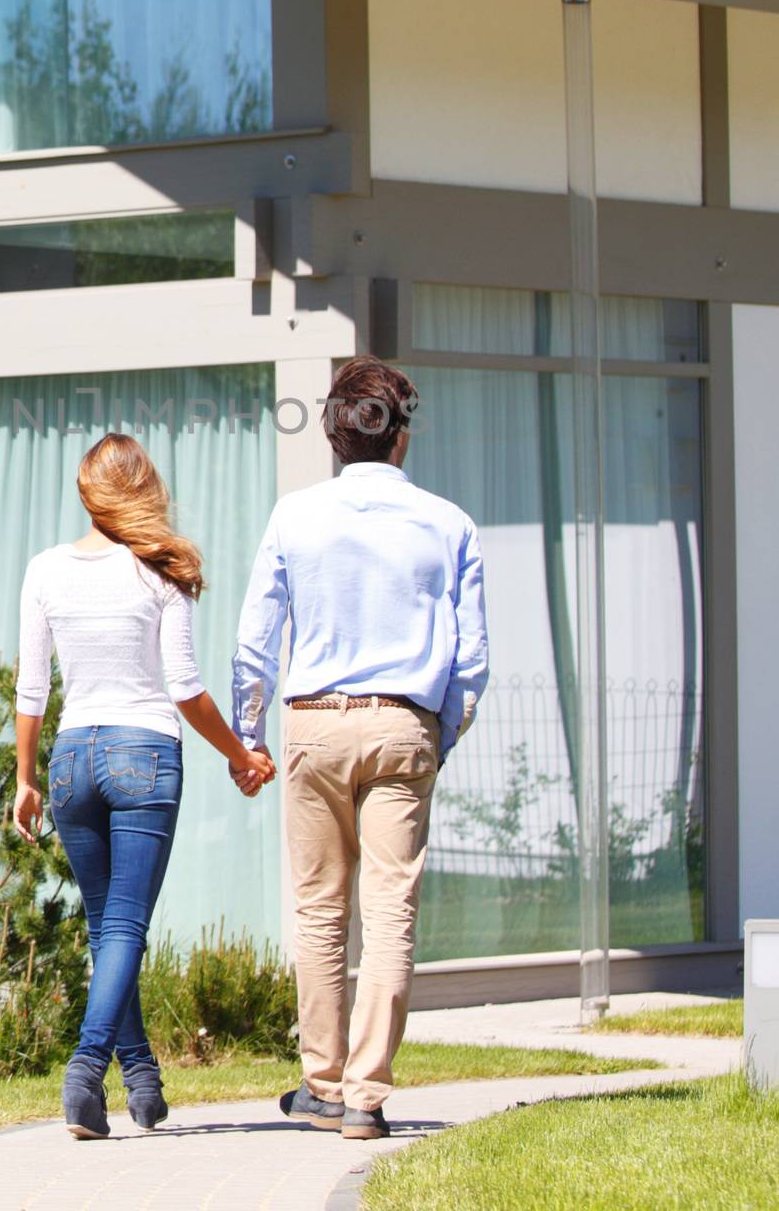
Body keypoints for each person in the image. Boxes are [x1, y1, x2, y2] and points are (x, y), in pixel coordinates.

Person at [230, 356, 488, 1141]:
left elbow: (254, 642)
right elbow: (470, 663)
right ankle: (367, 1098)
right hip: (402, 723)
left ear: (336, 439)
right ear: (400, 438)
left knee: (318, 912)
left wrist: (250, 734)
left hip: (312, 721)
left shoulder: (294, 517)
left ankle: (322, 1083)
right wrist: (436, 735)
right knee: (390, 912)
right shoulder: (449, 525)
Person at [12, 432, 276, 1140]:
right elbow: (185, 689)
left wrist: (25, 779)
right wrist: (241, 754)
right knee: (125, 928)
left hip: (70, 759)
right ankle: (85, 1069)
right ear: (145, 489)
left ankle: (144, 1082)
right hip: (144, 753)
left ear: (85, 491)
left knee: (108, 930)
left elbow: (32, 688)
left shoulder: (45, 570)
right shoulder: (164, 568)